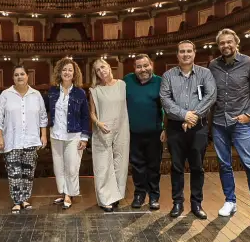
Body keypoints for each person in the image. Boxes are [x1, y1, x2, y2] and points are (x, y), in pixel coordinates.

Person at [209, 28, 250, 227]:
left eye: (229, 42)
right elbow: (209, 93)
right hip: (219, 122)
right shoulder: (213, 65)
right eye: (222, 43)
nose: (225, 45)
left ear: (236, 43)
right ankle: (230, 201)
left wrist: (248, 113)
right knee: (224, 164)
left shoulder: (249, 63)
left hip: (241, 123)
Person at [160, 40, 216, 219]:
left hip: (198, 128)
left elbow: (210, 96)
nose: (186, 54)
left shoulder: (205, 73)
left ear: (194, 53)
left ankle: (196, 203)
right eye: (182, 51)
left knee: (197, 167)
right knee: (176, 167)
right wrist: (184, 115)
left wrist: (193, 117)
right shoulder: (168, 76)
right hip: (175, 128)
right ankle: (177, 202)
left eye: (189, 51)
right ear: (177, 55)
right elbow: (165, 100)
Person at [0, 65, 48, 213]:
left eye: (22, 74)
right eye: (16, 75)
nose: (19, 77)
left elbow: (43, 117)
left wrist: (43, 135)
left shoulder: (36, 95)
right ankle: (17, 201)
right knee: (14, 173)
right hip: (12, 140)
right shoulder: (5, 95)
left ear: (27, 76)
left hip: (31, 140)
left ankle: (25, 199)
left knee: (28, 173)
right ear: (13, 78)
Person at [123, 54, 165, 210]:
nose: (143, 69)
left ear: (151, 65)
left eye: (146, 65)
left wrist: (165, 128)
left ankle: (154, 196)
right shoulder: (127, 80)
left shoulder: (160, 82)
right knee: (137, 166)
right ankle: (139, 194)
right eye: (139, 67)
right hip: (133, 133)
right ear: (134, 68)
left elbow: (167, 107)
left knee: (154, 166)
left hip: (155, 133)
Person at [47, 58, 90, 210]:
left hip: (74, 135)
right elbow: (46, 111)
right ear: (59, 72)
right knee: (59, 167)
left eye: (70, 70)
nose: (67, 72)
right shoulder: (52, 91)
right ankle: (64, 193)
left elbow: (85, 116)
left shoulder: (80, 93)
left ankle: (69, 194)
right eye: (64, 69)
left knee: (72, 167)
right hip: (56, 135)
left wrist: (85, 137)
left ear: (74, 73)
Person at [89, 58, 129, 212]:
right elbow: (92, 113)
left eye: (103, 67)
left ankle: (116, 195)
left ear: (109, 67)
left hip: (121, 127)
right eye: (98, 70)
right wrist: (98, 124)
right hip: (102, 129)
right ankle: (105, 198)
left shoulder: (122, 85)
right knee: (102, 165)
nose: (101, 71)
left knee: (120, 161)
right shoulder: (95, 90)